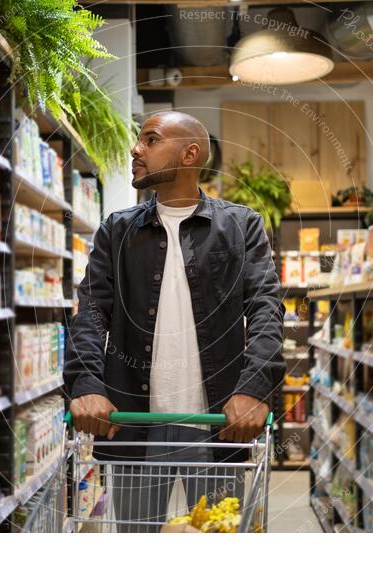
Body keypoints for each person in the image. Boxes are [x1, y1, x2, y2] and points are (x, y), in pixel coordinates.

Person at [63, 111, 285, 531]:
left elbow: (265, 309)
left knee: (219, 552)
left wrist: (255, 388)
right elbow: (92, 312)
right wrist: (86, 384)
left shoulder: (241, 226)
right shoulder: (117, 231)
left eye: (150, 139)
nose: (135, 149)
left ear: (190, 153)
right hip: (134, 426)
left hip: (219, 426)